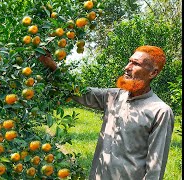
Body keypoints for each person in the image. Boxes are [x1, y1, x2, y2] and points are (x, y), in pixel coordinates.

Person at [38, 45, 174, 180]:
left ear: (153, 73)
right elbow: (79, 92)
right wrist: (54, 67)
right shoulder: (114, 96)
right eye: (129, 61)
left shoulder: (160, 111)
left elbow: (155, 167)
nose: (127, 67)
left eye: (136, 64)